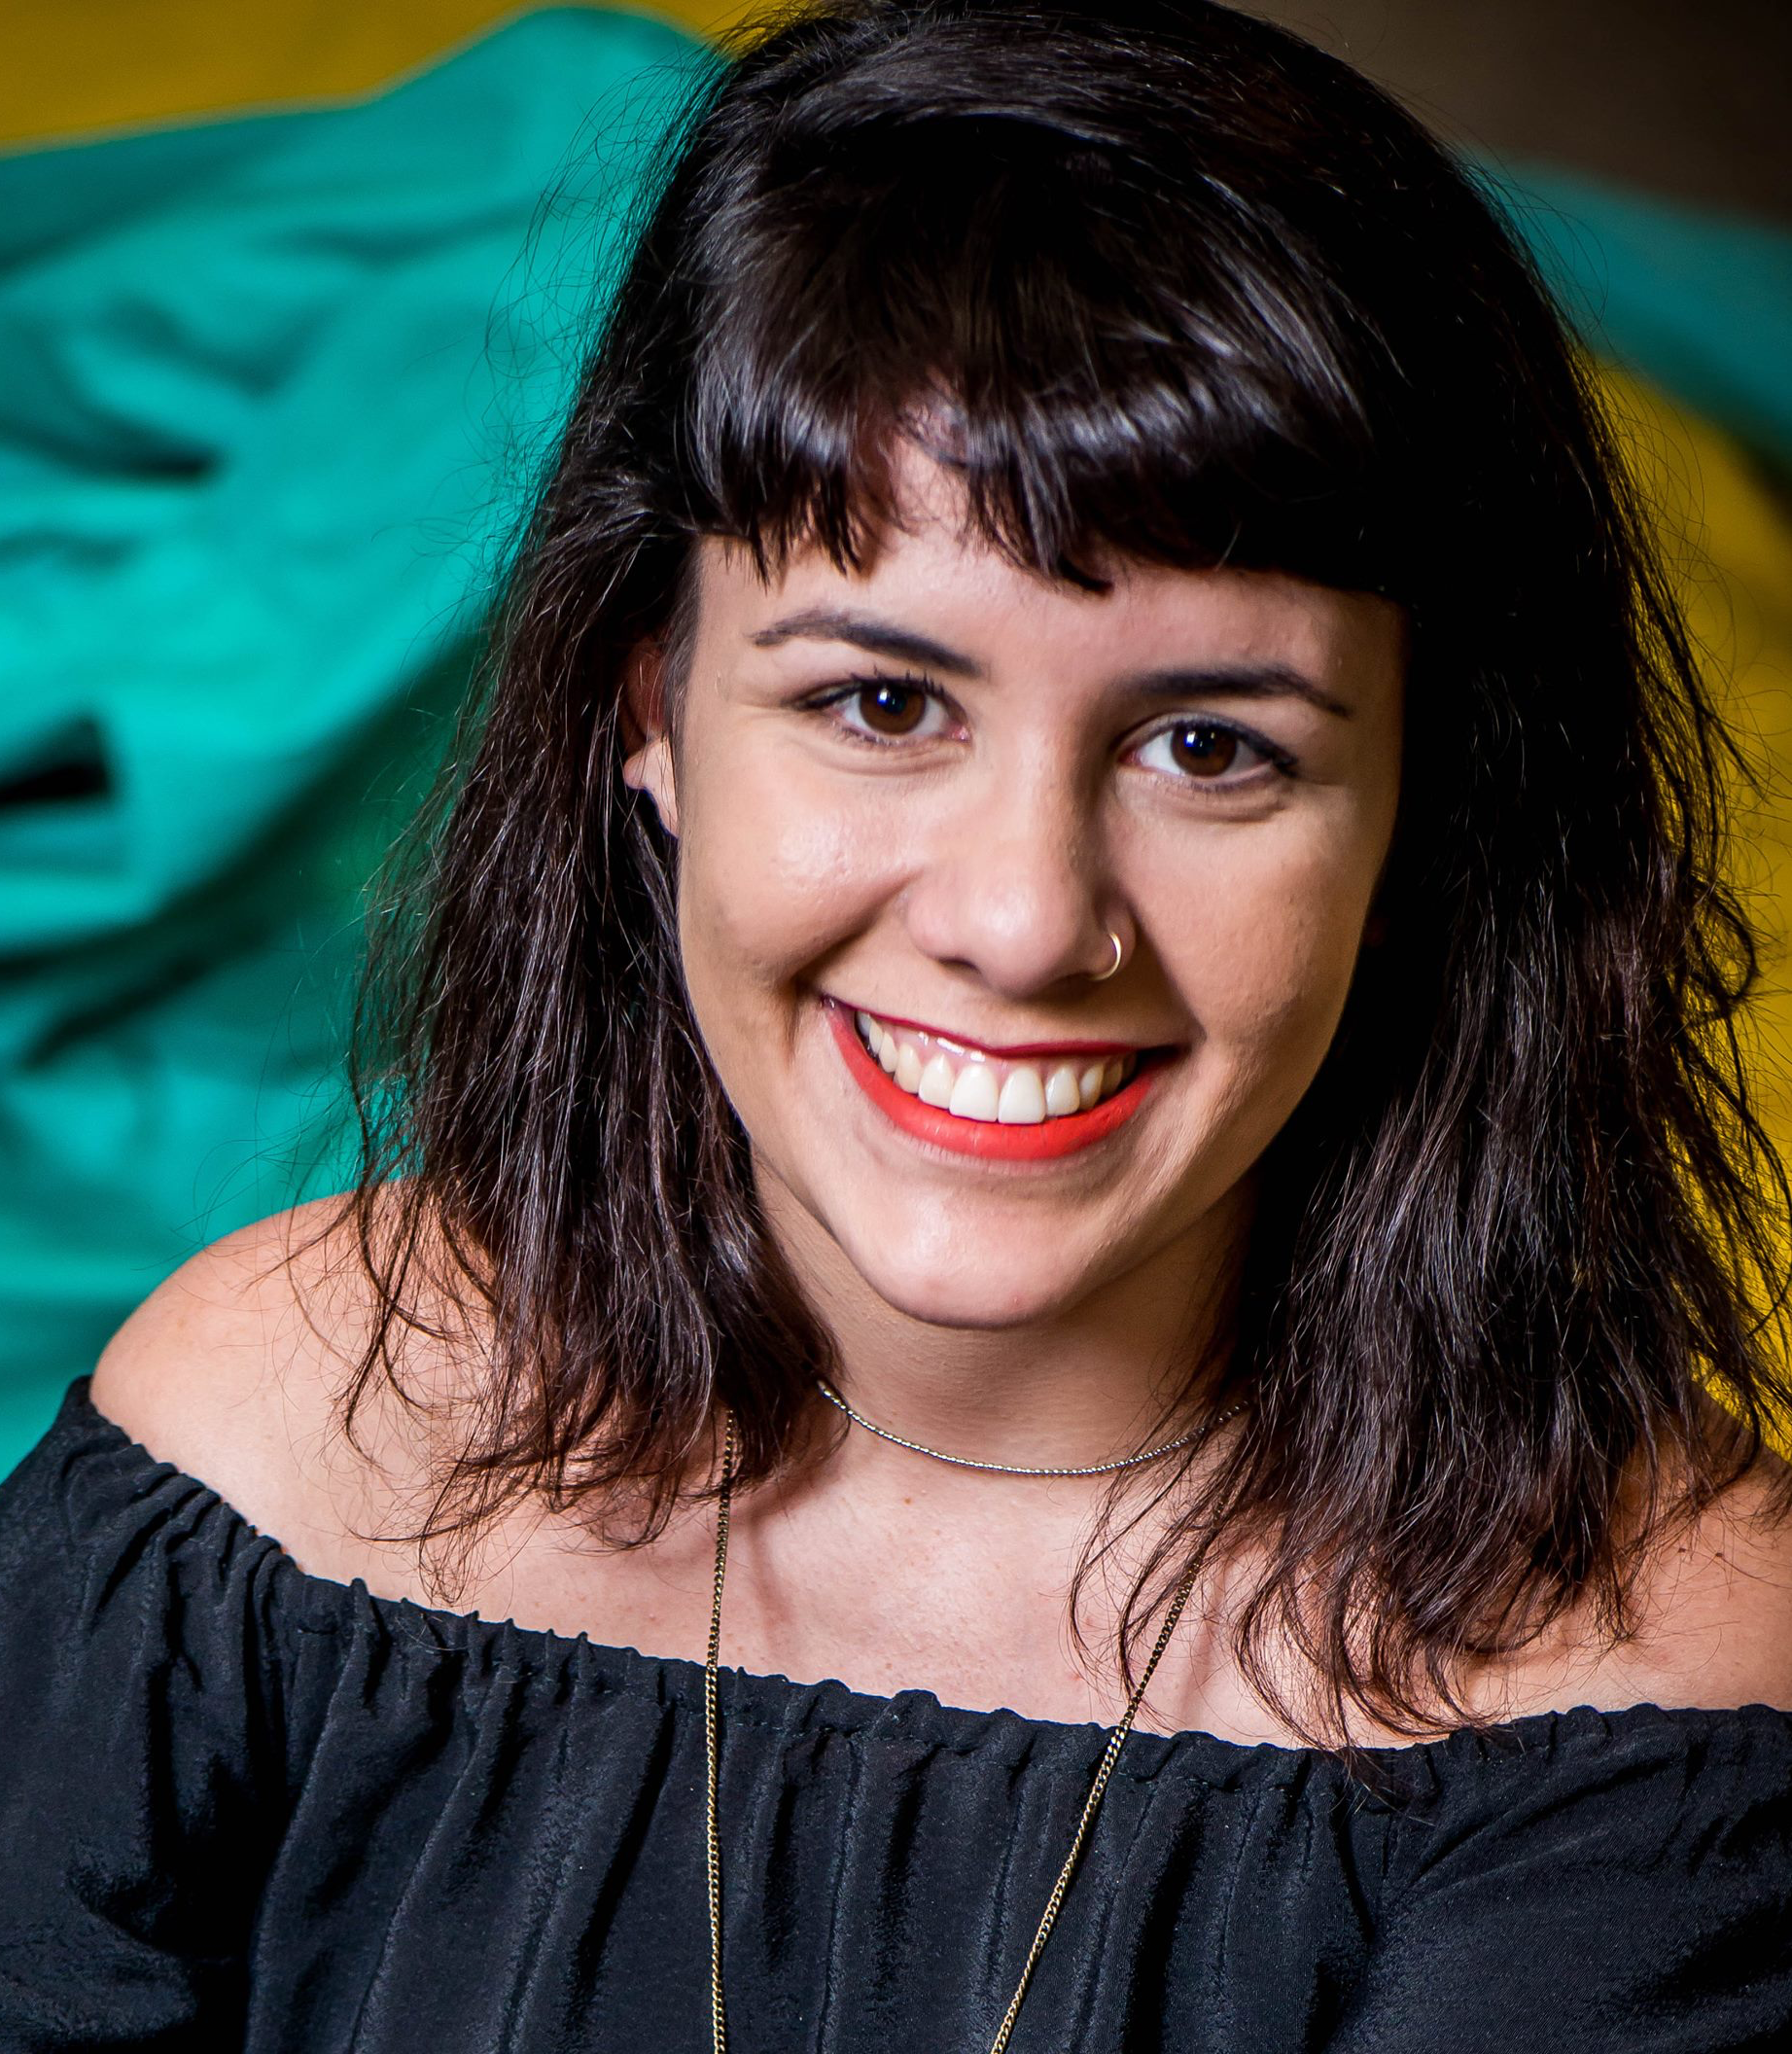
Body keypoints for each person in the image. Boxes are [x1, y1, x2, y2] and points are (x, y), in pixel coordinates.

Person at [3, 0, 1789, 2045]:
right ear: (648, 711)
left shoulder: (1662, 1680)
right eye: (881, 703)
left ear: (1425, 816)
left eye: (1211, 746)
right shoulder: (266, 1437)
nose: (1025, 923)